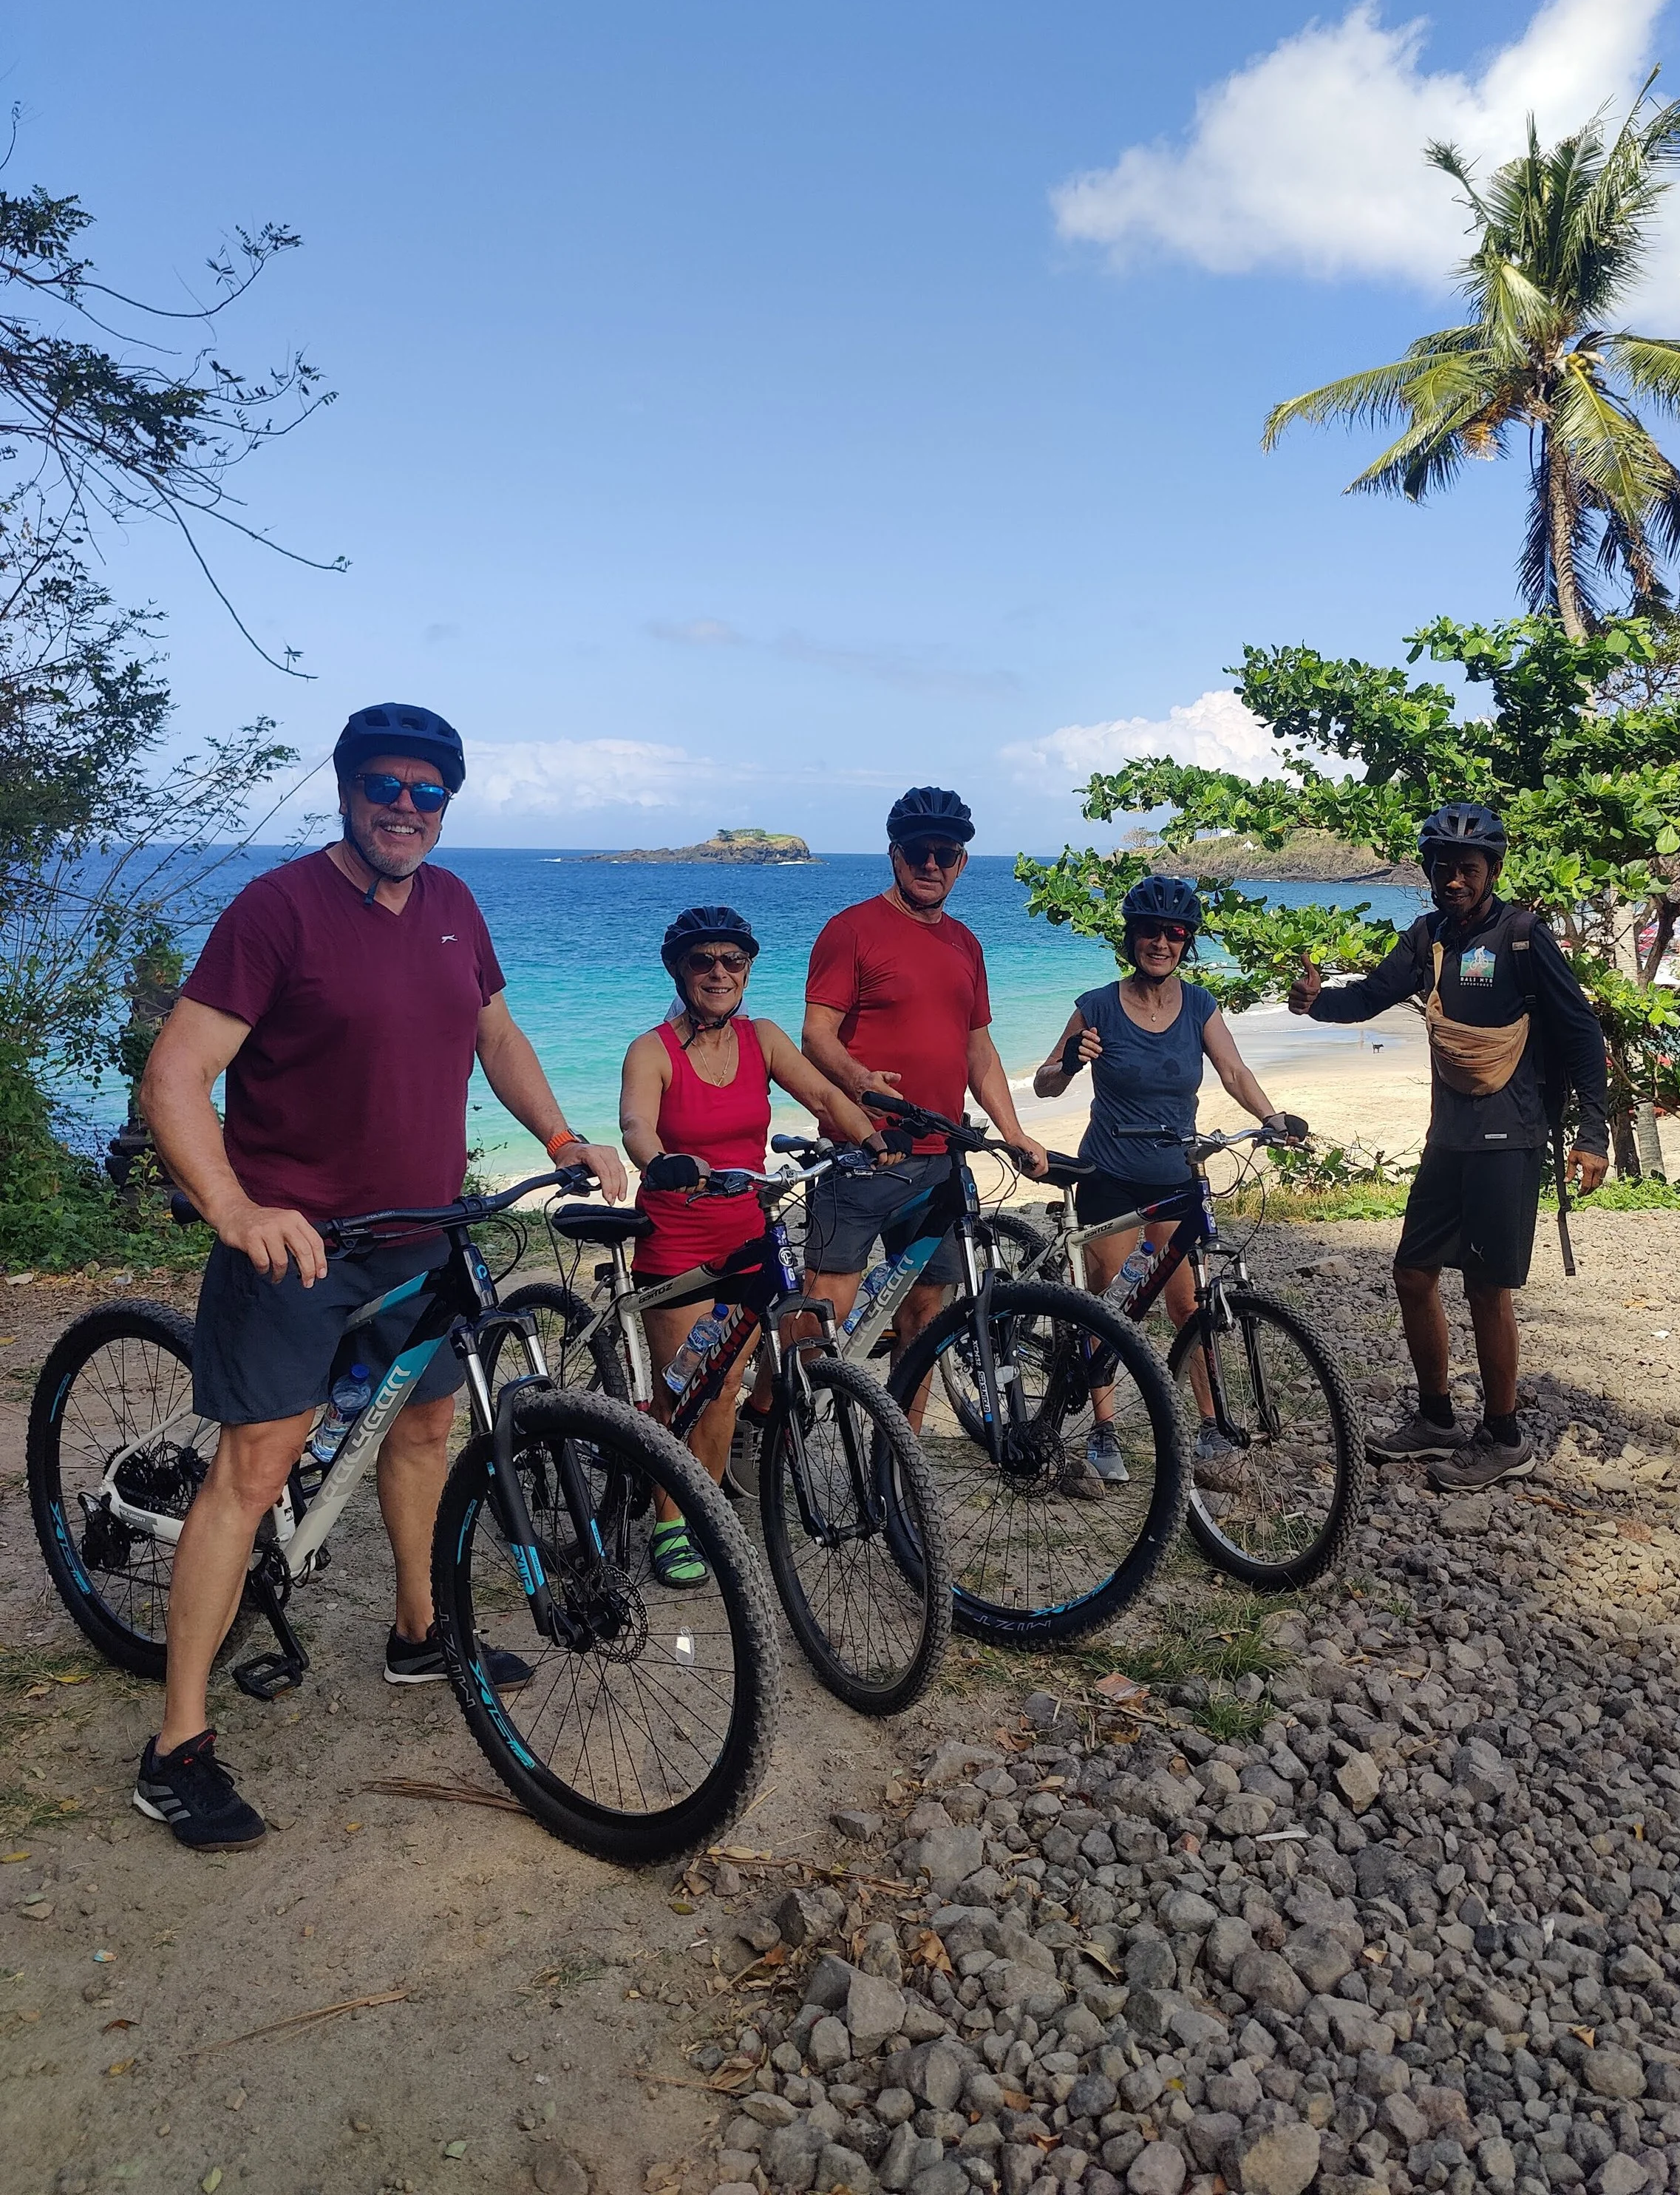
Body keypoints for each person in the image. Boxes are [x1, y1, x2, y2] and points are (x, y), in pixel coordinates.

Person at [136, 702, 628, 1850]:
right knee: (252, 1472)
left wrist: (561, 1139)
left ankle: (419, 1632)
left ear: (447, 804)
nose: (404, 807)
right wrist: (235, 1206)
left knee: (421, 1430)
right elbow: (177, 1075)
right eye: (383, 785)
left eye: (427, 791)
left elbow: (495, 1037)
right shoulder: (279, 911)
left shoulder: (455, 906)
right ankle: (177, 1746)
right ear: (348, 788)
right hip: (297, 1244)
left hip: (425, 1228)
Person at [1288, 802, 1609, 1493]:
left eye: (1468, 868)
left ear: (1491, 870)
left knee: (1487, 1289)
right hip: (1450, 1135)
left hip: (1512, 1134)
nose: (1454, 879)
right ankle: (1437, 1420)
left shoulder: (1523, 936)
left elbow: (1582, 1033)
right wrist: (1315, 1002)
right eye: (1443, 868)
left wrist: (1592, 1132)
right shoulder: (1428, 936)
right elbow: (1372, 996)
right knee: (1412, 1273)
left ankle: (1504, 1435)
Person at [617, 904, 886, 1587]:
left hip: (746, 1231)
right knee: (688, 1386)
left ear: (747, 970)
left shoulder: (762, 1038)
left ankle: (702, 1504)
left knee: (727, 1383)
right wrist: (661, 1162)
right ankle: (671, 1522)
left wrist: (874, 1141)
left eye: (732, 961)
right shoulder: (652, 1050)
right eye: (702, 960)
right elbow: (634, 1125)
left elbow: (823, 1094)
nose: (718, 972)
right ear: (678, 970)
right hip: (678, 1237)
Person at [1033, 874, 1301, 1491]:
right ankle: (1103, 1433)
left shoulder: (1200, 1005)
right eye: (1150, 932)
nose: (1162, 942)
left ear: (1187, 942)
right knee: (1107, 1305)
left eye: (1175, 933)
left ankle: (1210, 1428)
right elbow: (1048, 1082)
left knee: (1188, 1305)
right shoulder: (1096, 1006)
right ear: (1131, 938)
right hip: (1110, 1177)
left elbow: (1232, 1069)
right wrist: (1070, 1061)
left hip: (1176, 1178)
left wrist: (1270, 1117)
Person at [800, 787, 1049, 1394]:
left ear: (962, 862)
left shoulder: (965, 943)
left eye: (946, 853)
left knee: (924, 1321)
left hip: (940, 1161)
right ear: (894, 855)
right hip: (863, 1153)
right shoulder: (851, 930)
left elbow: (978, 1050)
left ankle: (898, 1467)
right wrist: (861, 1081)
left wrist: (1013, 1132)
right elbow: (815, 1034)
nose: (931, 864)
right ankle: (773, 1419)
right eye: (918, 851)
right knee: (821, 1319)